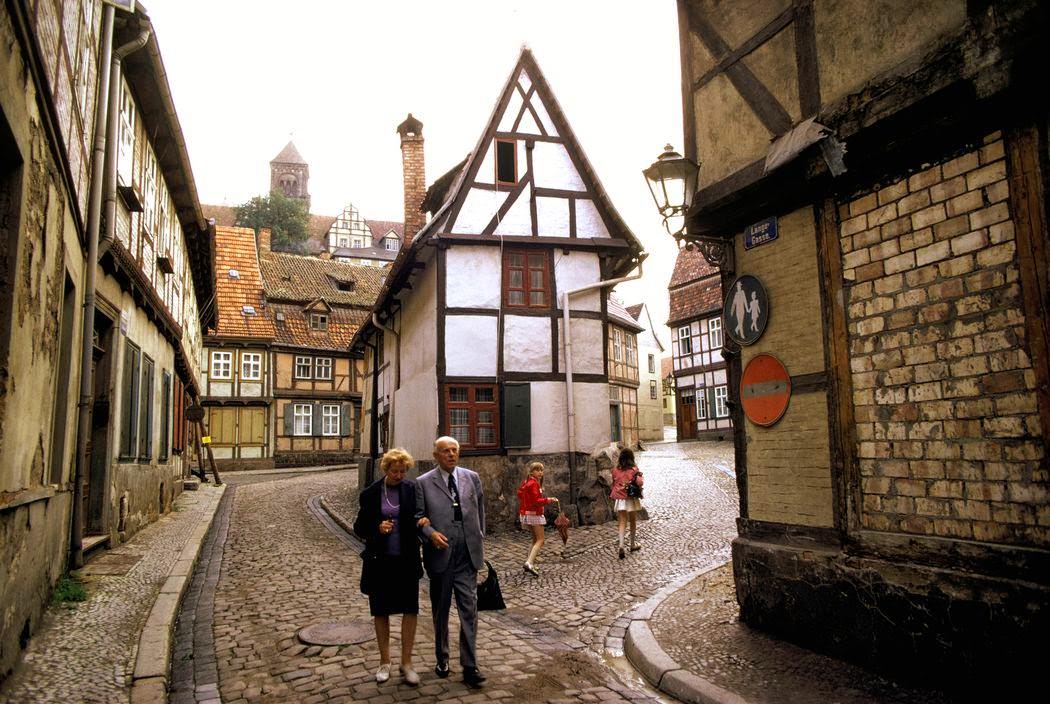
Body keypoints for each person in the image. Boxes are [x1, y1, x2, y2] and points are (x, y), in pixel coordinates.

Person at [415, 436, 487, 688]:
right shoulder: (423, 483)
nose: (451, 455)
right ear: (435, 455)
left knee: (470, 610)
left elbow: (480, 512)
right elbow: (418, 517)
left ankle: (470, 665)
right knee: (441, 610)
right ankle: (442, 657)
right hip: (441, 554)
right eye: (445, 451)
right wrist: (430, 534)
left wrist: (479, 537)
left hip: (467, 554)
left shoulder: (471, 478)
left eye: (455, 450)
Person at [353, 448, 426, 686]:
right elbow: (359, 528)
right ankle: (385, 661)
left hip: (406, 560)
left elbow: (417, 517)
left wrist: (422, 522)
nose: (399, 475)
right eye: (395, 471)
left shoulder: (411, 489)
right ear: (386, 470)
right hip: (380, 562)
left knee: (410, 609)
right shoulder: (371, 494)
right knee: (381, 611)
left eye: (403, 471)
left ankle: (407, 663)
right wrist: (377, 527)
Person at [517, 461, 559, 576]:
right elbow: (536, 501)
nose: (540, 472)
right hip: (534, 514)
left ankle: (529, 561)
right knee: (541, 540)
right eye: (537, 470)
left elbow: (520, 494)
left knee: (535, 540)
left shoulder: (526, 482)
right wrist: (548, 500)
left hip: (527, 513)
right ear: (532, 471)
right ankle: (529, 562)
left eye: (541, 470)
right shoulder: (534, 484)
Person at [610, 448, 644, 559]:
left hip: (620, 499)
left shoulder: (615, 470)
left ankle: (621, 546)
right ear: (631, 458)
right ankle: (632, 544)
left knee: (622, 522)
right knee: (633, 520)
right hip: (631, 498)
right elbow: (640, 482)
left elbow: (613, 483)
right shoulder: (634, 469)